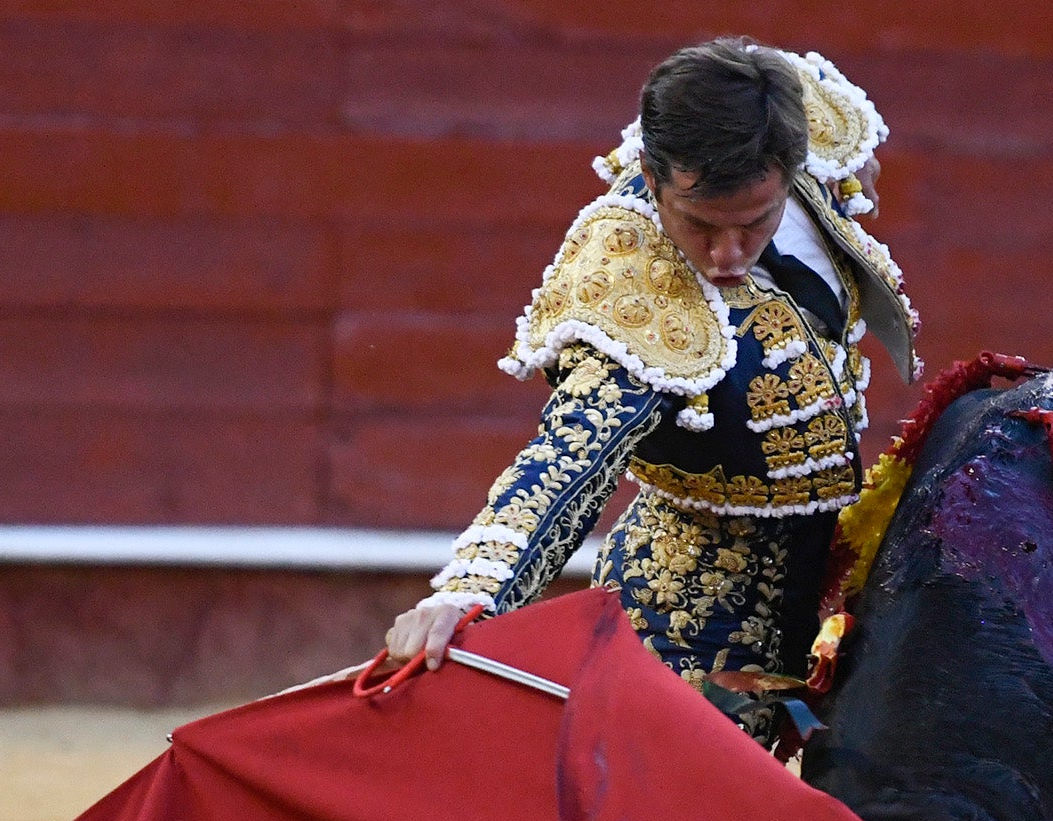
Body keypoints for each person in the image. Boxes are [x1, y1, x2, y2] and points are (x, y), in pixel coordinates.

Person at [382, 38, 919, 699]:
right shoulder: (631, 289)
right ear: (651, 172)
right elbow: (568, 457)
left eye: (755, 223)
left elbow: (779, 77)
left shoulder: (786, 134)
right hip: (688, 627)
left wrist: (854, 162)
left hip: (825, 591)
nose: (728, 255)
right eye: (699, 226)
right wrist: (469, 593)